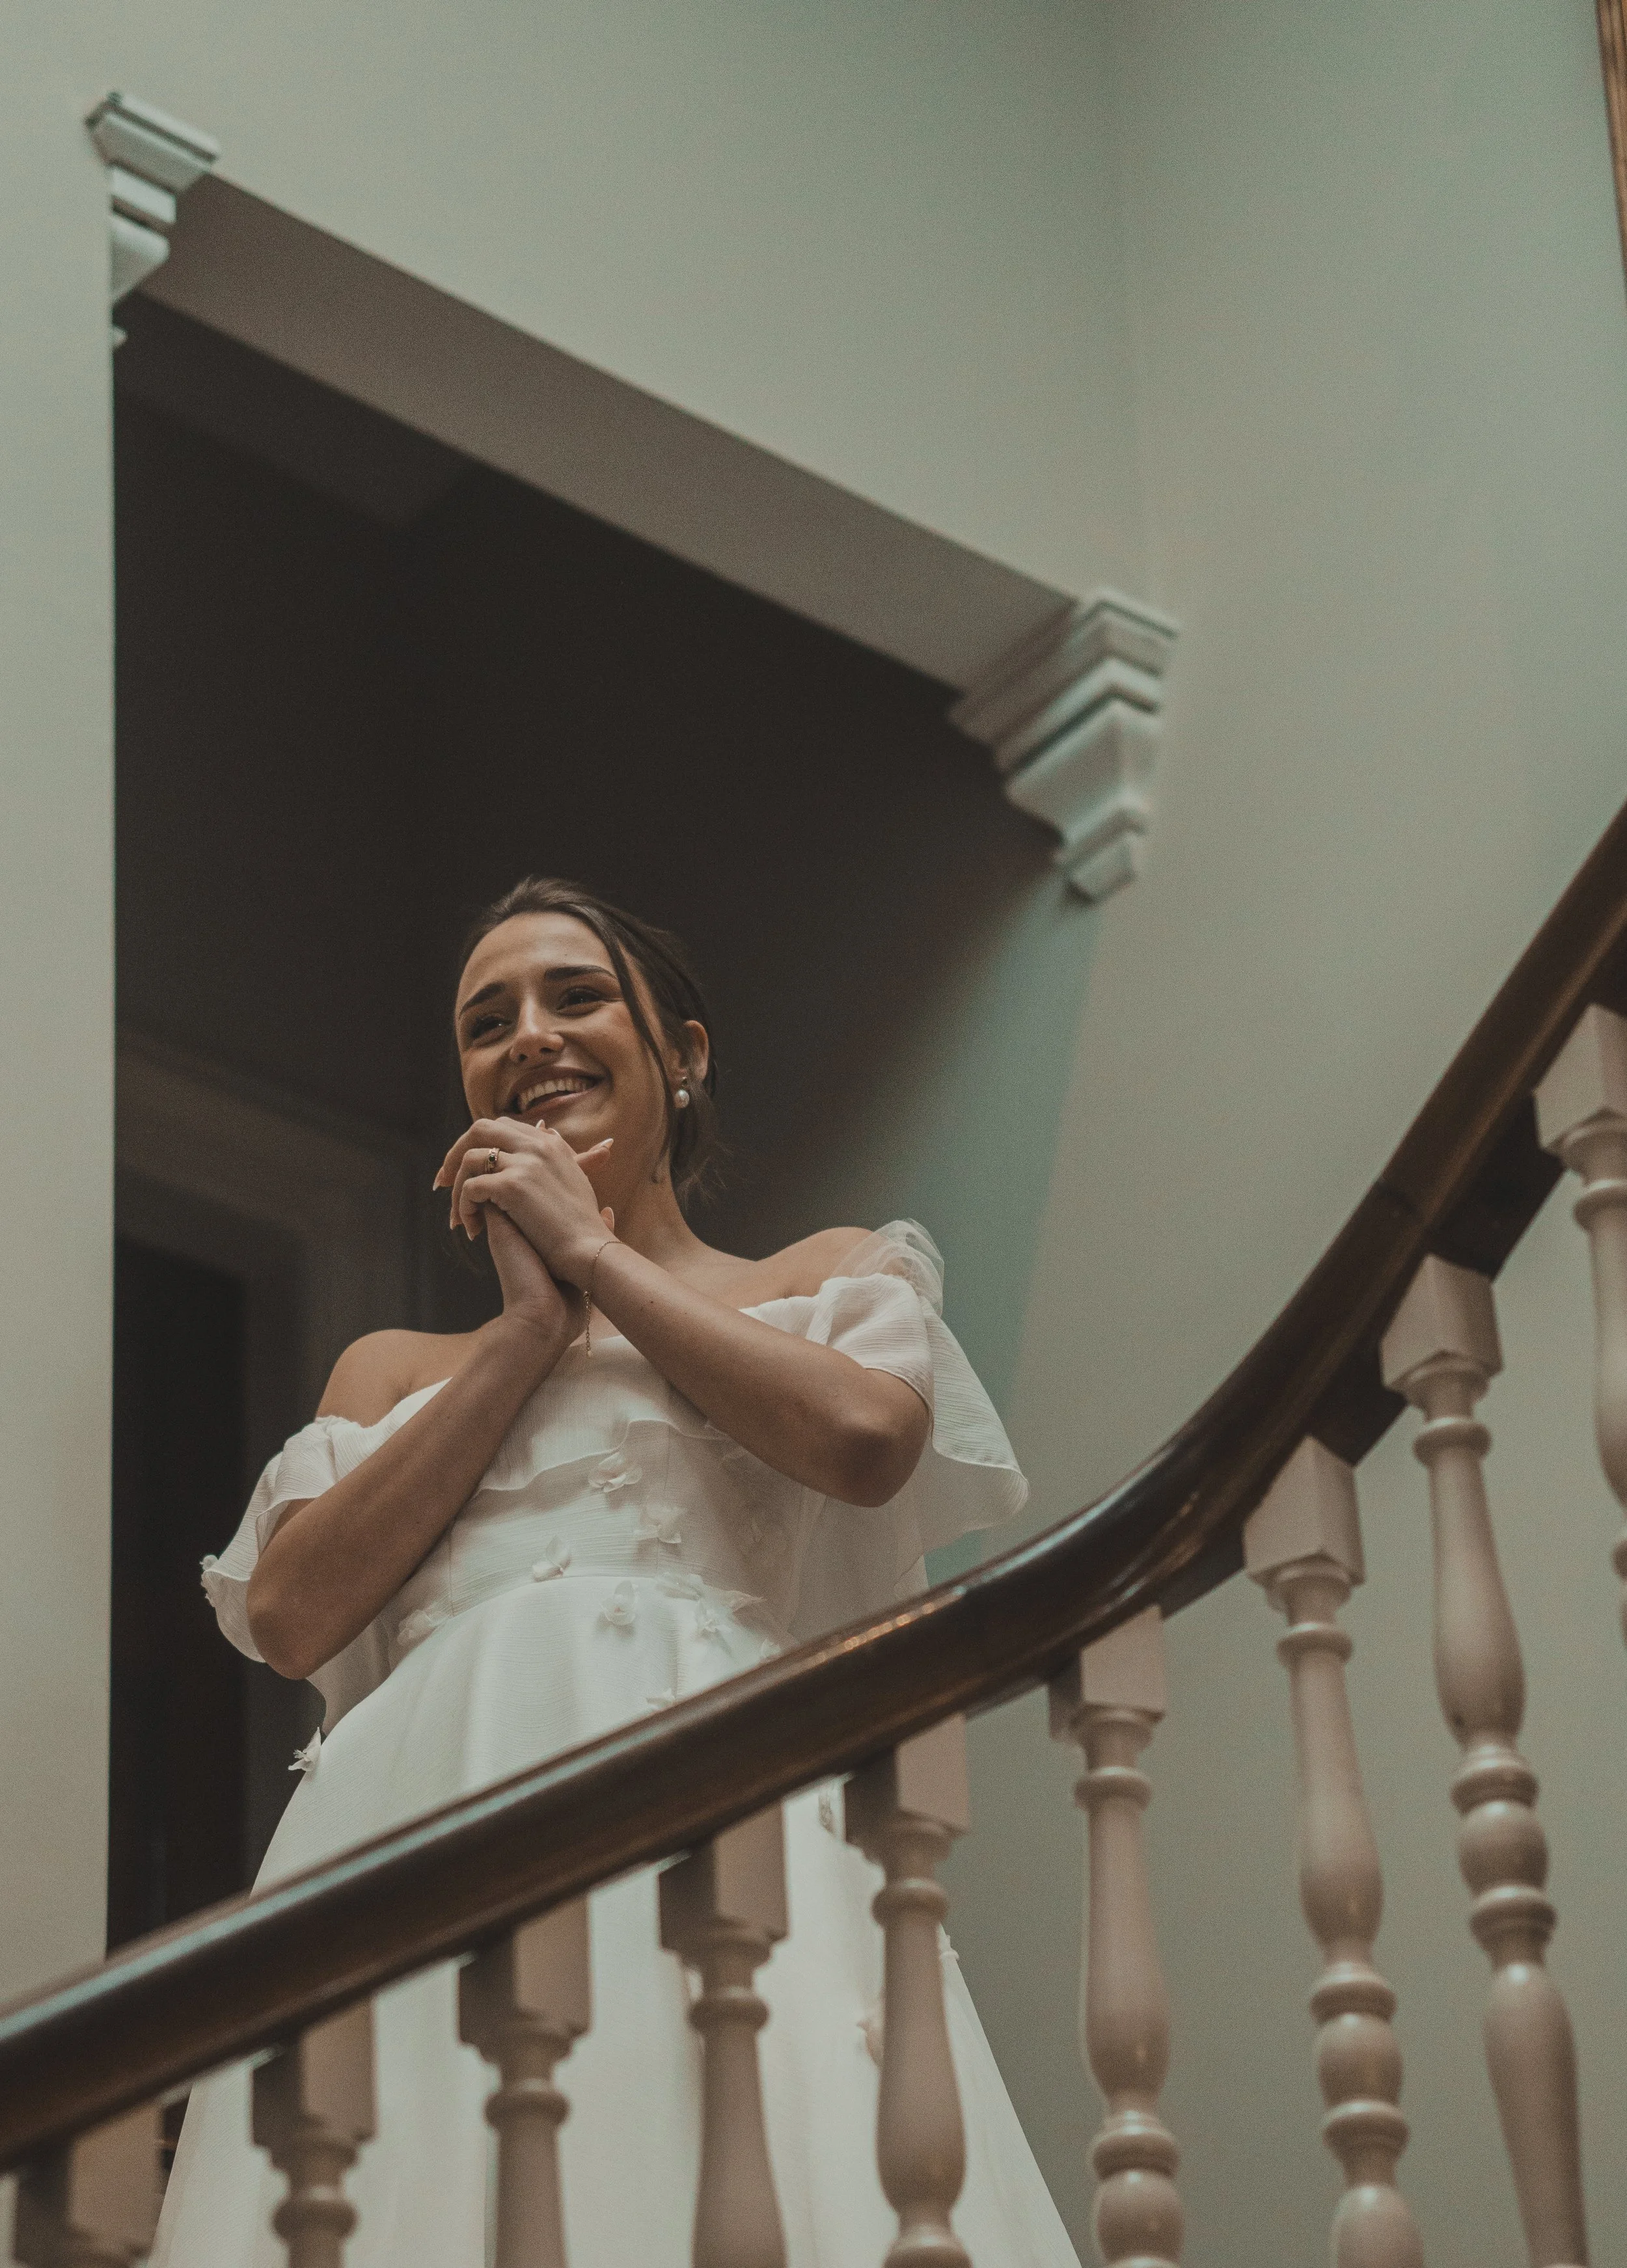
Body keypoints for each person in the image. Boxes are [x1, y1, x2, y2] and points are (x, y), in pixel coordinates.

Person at [156, 878, 1080, 2268]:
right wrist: (527, 1332)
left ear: (682, 1054)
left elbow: (865, 1437)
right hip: (420, 1826)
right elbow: (291, 1618)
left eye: (574, 996)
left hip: (711, 1812)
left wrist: (589, 1254)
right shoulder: (397, 1370)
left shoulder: (813, 1276)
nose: (529, 1035)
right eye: (487, 1020)